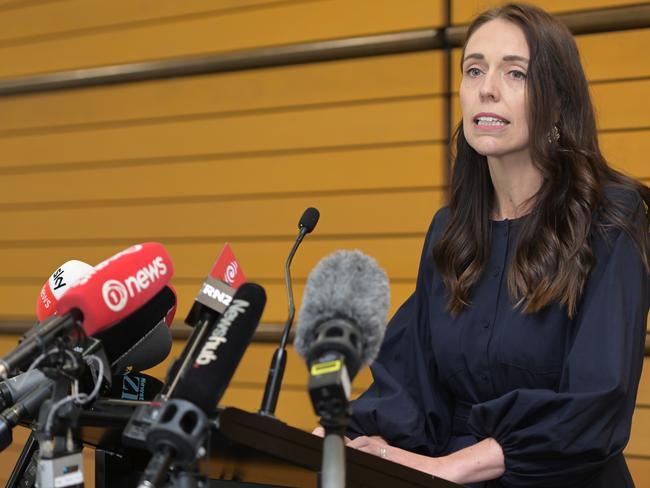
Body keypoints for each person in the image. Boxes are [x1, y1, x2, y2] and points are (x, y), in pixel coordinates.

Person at [338, 3, 650, 487]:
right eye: (474, 69)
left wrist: (448, 467)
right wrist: (340, 439)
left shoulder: (612, 220)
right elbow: (411, 380)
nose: (487, 88)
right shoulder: (450, 230)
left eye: (516, 74)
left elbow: (597, 402)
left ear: (559, 101)